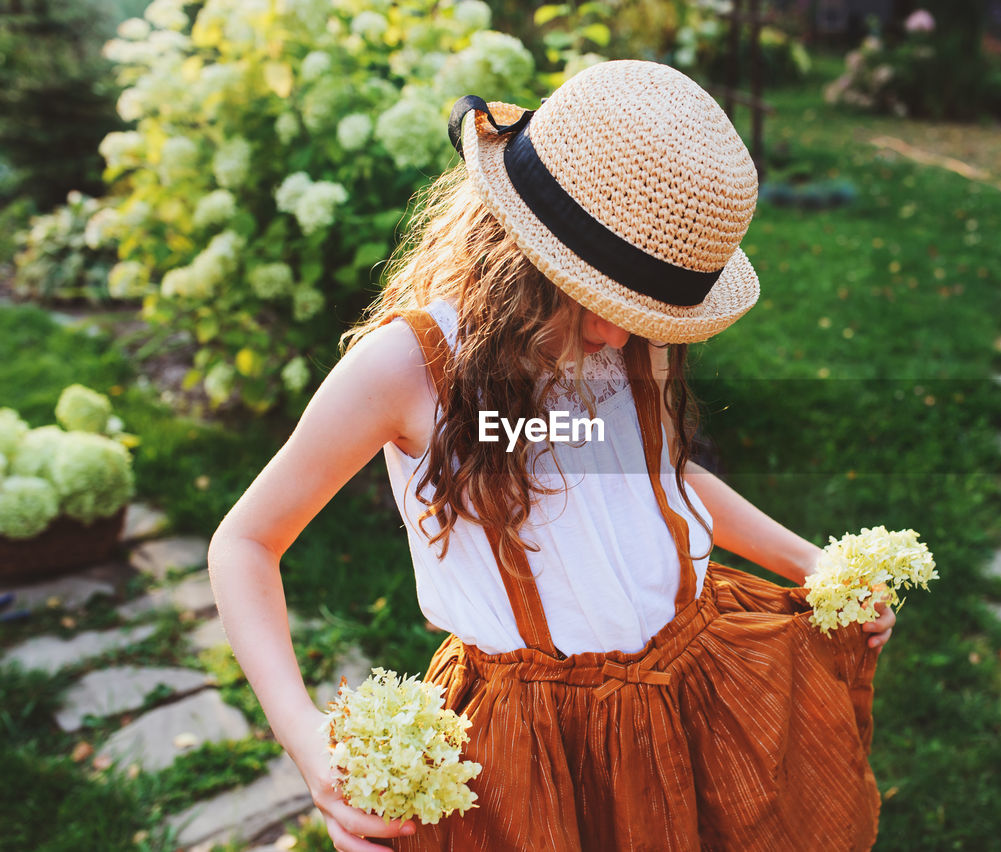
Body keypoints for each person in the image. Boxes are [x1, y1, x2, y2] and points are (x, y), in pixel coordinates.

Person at [208, 59, 895, 852]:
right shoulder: (409, 370)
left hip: (691, 684)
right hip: (530, 741)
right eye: (596, 298)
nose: (619, 334)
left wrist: (807, 560)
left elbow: (654, 476)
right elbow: (245, 544)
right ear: (516, 244)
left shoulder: (631, 344)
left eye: (644, 312)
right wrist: (307, 740)